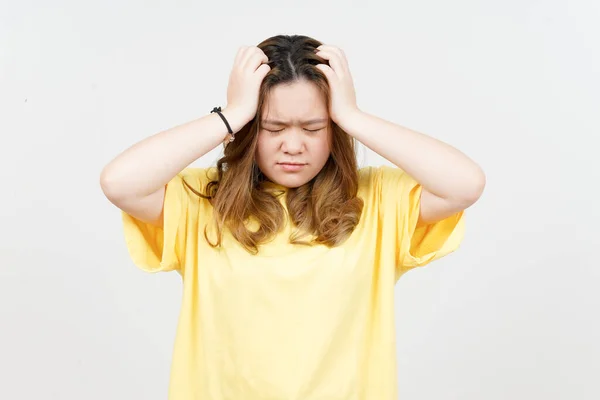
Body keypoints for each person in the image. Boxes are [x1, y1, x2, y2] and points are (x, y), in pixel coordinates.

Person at [100, 34, 485, 400]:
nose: (294, 145)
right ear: (250, 130)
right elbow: (120, 183)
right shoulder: (203, 201)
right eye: (274, 127)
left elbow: (465, 184)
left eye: (313, 127)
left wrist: (353, 116)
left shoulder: (378, 200)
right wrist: (230, 115)